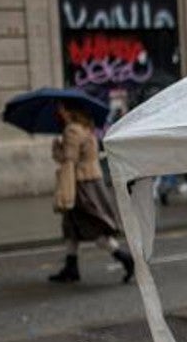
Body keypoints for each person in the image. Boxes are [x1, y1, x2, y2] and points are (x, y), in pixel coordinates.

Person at [47, 102, 134, 283]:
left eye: (62, 109)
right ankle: (71, 268)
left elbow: (69, 159)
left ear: (70, 111)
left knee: (91, 227)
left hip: (81, 185)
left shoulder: (72, 131)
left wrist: (56, 148)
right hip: (91, 181)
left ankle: (125, 258)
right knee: (71, 228)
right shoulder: (86, 128)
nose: (59, 113)